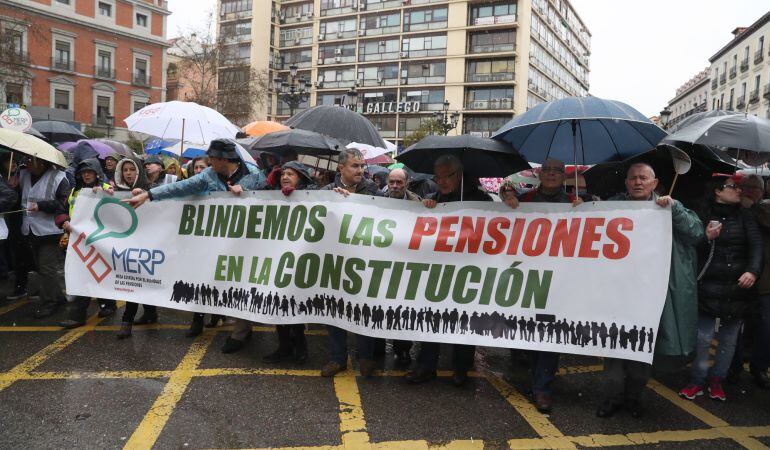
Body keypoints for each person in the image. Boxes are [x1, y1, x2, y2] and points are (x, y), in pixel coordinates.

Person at [124, 139, 266, 345]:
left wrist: (243, 189)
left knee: (242, 281)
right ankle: (204, 319)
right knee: (214, 279)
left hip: (246, 240)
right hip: (216, 239)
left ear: (223, 159)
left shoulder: (253, 174)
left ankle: (241, 333)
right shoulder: (209, 175)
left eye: (212, 159)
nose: (208, 163)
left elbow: (271, 191)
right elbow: (181, 187)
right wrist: (148, 195)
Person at [596, 163, 703, 418]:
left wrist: (675, 210)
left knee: (641, 353)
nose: (637, 182)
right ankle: (612, 398)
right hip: (619, 294)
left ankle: (633, 398)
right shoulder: (613, 206)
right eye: (632, 178)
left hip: (651, 296)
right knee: (613, 350)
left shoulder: (669, 207)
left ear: (654, 183)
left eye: (643, 178)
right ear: (625, 184)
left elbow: (696, 233)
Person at [499, 158, 582, 414]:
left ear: (564, 176)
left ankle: (542, 388)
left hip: (559, 279)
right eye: (546, 170)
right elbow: (504, 193)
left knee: (549, 334)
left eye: (556, 171)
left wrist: (586, 211)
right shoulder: (526, 198)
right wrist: (506, 196)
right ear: (539, 174)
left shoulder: (575, 202)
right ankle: (536, 378)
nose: (551, 175)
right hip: (528, 275)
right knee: (529, 330)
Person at [406, 154, 491, 387]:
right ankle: (425, 366)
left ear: (460, 175)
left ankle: (461, 368)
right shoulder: (433, 200)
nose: (441, 181)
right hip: (439, 274)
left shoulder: (480, 200)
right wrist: (426, 208)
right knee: (432, 319)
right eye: (438, 177)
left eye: (447, 176)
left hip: (468, 273)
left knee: (464, 320)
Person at [679, 174, 763, 402]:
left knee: (728, 340)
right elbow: (688, 248)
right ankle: (696, 380)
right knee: (703, 338)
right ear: (717, 191)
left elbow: (757, 247)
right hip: (708, 288)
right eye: (733, 187)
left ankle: (717, 381)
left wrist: (752, 271)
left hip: (737, 291)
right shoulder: (702, 214)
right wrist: (705, 237)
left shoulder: (746, 216)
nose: (739, 191)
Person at [320, 147, 381, 377]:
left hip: (363, 261)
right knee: (335, 309)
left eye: (362, 165)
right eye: (355, 166)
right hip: (336, 261)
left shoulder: (373, 189)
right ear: (341, 167)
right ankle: (337, 359)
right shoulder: (327, 191)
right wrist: (331, 201)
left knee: (364, 307)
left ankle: (366, 358)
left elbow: (392, 213)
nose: (360, 170)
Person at [261, 161, 316, 364]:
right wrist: (269, 183)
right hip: (277, 258)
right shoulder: (274, 194)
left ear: (300, 178)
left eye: (290, 174)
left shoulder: (313, 195)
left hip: (300, 259)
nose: (285, 177)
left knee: (296, 306)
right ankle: (284, 346)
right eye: (283, 173)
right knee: (277, 303)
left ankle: (301, 348)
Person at [95, 156, 156, 337]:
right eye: (125, 170)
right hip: (125, 245)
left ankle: (127, 321)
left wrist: (146, 194)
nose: (128, 173)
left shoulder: (151, 190)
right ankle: (149, 313)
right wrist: (98, 194)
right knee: (134, 281)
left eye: (132, 169)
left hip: (146, 244)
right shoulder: (116, 191)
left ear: (139, 171)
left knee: (137, 281)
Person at [56, 158, 115, 328]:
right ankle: (78, 315)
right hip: (78, 242)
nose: (86, 175)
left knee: (100, 273)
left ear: (97, 173)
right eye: (84, 172)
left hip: (100, 240)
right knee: (83, 276)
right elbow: (61, 210)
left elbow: (115, 206)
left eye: (90, 171)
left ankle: (108, 304)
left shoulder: (106, 188)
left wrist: (106, 193)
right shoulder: (73, 191)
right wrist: (64, 221)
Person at [18, 157, 69, 318]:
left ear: (41, 161)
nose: (28, 163)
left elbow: (64, 203)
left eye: (31, 160)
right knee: (41, 268)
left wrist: (42, 206)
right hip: (30, 229)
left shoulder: (59, 177)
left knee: (47, 267)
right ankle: (58, 298)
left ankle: (50, 302)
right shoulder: (23, 175)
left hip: (50, 231)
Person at [385, 167, 420, 366]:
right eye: (392, 182)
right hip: (382, 263)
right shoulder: (373, 198)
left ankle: (403, 349)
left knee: (402, 308)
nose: (395, 186)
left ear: (407, 183)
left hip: (405, 265)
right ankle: (376, 349)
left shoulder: (418, 203)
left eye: (399, 182)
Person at [743, 176, 770, 389]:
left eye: (755, 188)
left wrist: (752, 208)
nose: (750, 191)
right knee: (737, 328)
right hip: (739, 278)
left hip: (764, 282)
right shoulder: (735, 207)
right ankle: (733, 367)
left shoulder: (763, 209)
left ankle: (759, 367)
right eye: (746, 187)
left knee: (764, 328)